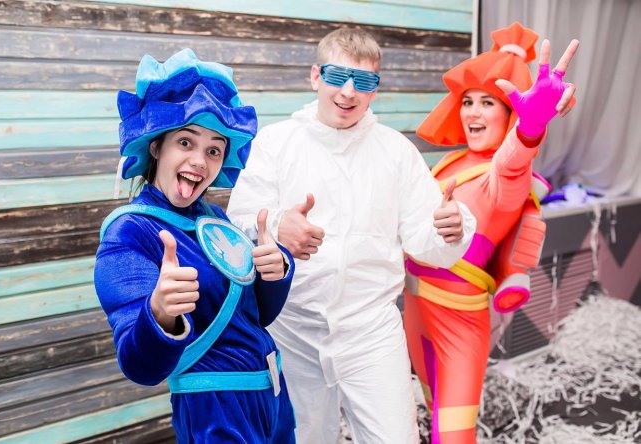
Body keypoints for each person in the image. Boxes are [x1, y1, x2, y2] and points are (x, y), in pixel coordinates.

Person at [227, 28, 476, 443]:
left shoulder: (396, 152)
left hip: (371, 331)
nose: (348, 91)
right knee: (302, 438)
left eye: (362, 81)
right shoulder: (276, 142)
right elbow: (239, 219)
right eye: (337, 76)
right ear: (315, 76)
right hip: (292, 329)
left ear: (375, 89)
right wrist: (277, 224)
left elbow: (426, 237)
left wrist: (451, 228)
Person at [93, 48, 297, 443]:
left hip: (271, 394)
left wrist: (276, 269)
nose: (200, 161)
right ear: (157, 146)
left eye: (214, 150)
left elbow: (256, 316)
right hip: (215, 411)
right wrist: (159, 313)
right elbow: (140, 367)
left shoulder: (214, 219)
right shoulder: (129, 232)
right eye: (186, 142)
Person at [403, 22, 579, 443]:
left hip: (459, 320)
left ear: (510, 113)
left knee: (453, 432)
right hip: (415, 310)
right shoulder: (451, 162)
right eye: (468, 101)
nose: (473, 113)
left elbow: (513, 162)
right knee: (430, 411)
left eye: (488, 103)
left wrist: (530, 128)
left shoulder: (504, 176)